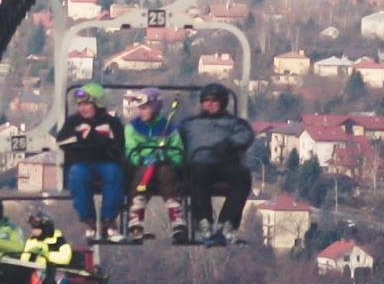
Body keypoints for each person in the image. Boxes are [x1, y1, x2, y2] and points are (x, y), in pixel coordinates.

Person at [178, 82, 256, 246]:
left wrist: (229, 144)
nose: (209, 104)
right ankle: (204, 220)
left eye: (214, 101)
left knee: (242, 176)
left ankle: (227, 222)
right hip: (199, 162)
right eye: (206, 100)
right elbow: (174, 139)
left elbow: (246, 134)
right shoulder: (189, 124)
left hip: (225, 161)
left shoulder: (234, 123)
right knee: (198, 176)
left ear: (222, 102)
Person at [57, 82, 128, 242]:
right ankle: (88, 221)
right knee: (77, 174)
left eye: (87, 104)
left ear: (97, 103)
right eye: (80, 104)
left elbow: (119, 145)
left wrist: (91, 138)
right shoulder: (73, 122)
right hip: (81, 163)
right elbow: (62, 141)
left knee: (114, 173)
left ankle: (108, 221)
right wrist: (92, 140)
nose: (83, 108)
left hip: (106, 162)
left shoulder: (112, 123)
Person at [122, 88, 188, 245]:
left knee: (167, 173)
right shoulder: (133, 127)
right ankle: (136, 217)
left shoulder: (169, 129)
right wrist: (141, 158)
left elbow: (178, 153)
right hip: (142, 166)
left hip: (163, 165)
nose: (141, 112)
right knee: (142, 174)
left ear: (155, 108)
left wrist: (166, 157)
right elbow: (130, 150)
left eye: (145, 108)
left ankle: (176, 218)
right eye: (140, 109)